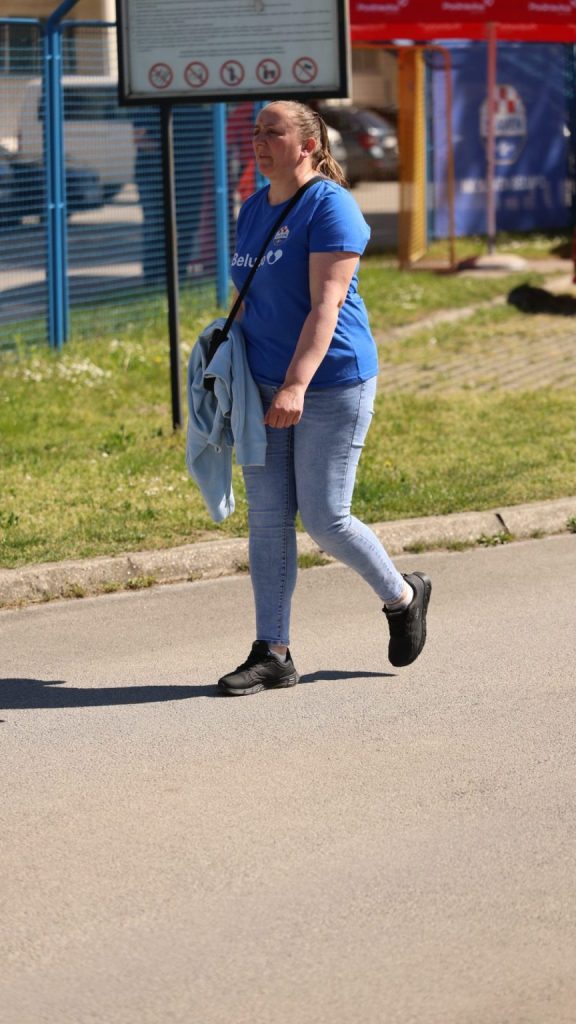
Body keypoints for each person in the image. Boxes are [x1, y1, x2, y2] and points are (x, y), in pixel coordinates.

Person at [217, 100, 431, 697]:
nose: (260, 141)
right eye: (256, 132)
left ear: (308, 144)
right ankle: (273, 652)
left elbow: (325, 305)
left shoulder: (330, 206)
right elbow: (252, 299)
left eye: (274, 132)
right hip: (262, 382)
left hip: (331, 380)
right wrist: (229, 373)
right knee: (267, 520)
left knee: (325, 517)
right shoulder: (252, 208)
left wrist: (295, 385)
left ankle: (403, 596)